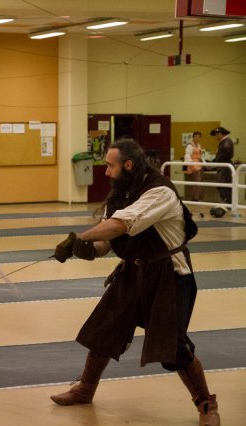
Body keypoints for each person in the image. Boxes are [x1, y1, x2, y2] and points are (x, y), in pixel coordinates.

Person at [52, 139, 220, 426]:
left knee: (174, 346)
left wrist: (79, 237)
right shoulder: (120, 194)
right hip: (133, 271)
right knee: (104, 329)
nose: (106, 172)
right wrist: (87, 249)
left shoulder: (159, 191)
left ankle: (206, 404)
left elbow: (122, 225)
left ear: (128, 165)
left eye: (110, 165)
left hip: (169, 275)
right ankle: (85, 389)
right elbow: (107, 240)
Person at [210, 126, 234, 204]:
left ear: (220, 134)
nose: (216, 137)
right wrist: (214, 161)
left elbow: (226, 153)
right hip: (224, 166)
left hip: (225, 167)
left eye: (217, 134)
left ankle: (228, 202)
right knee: (223, 185)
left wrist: (216, 161)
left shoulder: (226, 141)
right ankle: (227, 202)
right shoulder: (225, 141)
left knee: (222, 185)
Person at [184, 131, 204, 201]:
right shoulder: (190, 145)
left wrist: (203, 162)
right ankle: (195, 198)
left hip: (199, 165)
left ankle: (196, 197)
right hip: (193, 165)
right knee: (196, 181)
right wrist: (191, 164)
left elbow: (200, 155)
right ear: (193, 137)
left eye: (198, 137)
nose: (197, 138)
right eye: (195, 137)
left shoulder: (199, 145)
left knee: (198, 181)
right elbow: (187, 155)